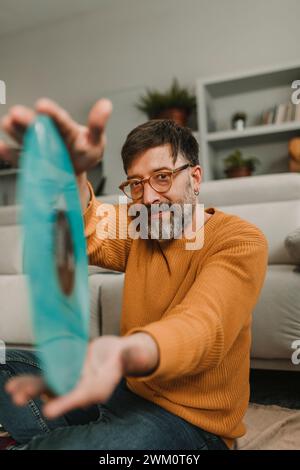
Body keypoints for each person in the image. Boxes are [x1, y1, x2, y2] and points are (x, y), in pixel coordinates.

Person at [0, 98, 268, 450]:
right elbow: (87, 228)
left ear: (195, 178)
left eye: (162, 178)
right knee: (6, 364)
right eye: (136, 185)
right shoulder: (142, 227)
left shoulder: (239, 240)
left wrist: (126, 353)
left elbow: (204, 327)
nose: (149, 197)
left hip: (192, 424)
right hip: (125, 392)